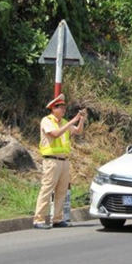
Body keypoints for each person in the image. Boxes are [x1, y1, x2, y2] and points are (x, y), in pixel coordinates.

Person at [33, 94, 86, 229]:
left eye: (64, 108)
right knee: (47, 189)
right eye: (61, 108)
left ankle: (57, 219)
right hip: (51, 160)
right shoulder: (47, 120)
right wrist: (72, 121)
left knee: (62, 190)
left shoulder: (64, 122)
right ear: (54, 109)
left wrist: (81, 120)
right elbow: (55, 134)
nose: (63, 110)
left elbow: (78, 131)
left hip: (64, 160)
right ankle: (38, 219)